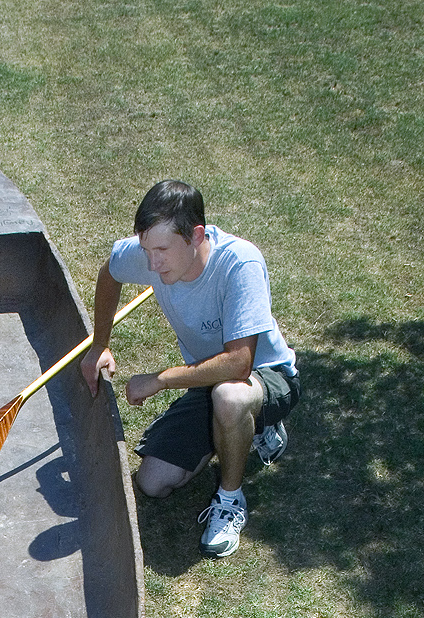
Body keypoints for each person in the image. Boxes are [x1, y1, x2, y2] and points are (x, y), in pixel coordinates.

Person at [81, 180, 299, 559]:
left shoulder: (239, 263)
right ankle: (234, 432)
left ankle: (230, 498)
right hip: (207, 382)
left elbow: (238, 363)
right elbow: (110, 273)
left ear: (195, 235)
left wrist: (161, 380)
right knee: (152, 483)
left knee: (230, 397)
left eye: (161, 250)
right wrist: (100, 344)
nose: (152, 263)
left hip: (266, 375)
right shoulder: (155, 251)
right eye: (146, 249)